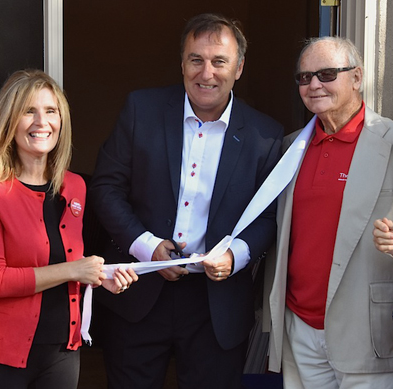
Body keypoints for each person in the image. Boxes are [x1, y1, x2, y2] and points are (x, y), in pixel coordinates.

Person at [89, 13, 283, 389]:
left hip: (216, 305)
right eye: (196, 60)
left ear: (239, 68)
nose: (206, 73)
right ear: (182, 64)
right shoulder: (140, 110)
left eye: (219, 62)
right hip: (138, 290)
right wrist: (146, 248)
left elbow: (269, 216)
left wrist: (236, 256)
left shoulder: (265, 136)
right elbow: (106, 188)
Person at [0, 69, 138, 389]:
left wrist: (101, 277)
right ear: (9, 120)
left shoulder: (75, 187)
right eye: (29, 111)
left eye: (51, 111)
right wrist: (74, 270)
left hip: (61, 351)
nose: (42, 122)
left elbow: (69, 265)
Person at [267, 36, 393, 388]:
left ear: (357, 77)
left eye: (325, 74)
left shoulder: (390, 141)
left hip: (368, 333)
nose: (313, 85)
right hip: (301, 329)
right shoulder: (290, 148)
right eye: (304, 78)